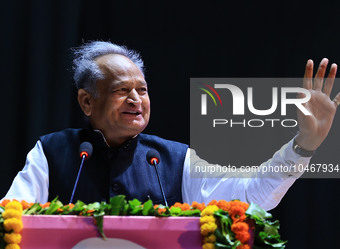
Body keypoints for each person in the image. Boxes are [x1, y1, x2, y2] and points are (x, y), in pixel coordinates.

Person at [3, 41, 340, 210]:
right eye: (122, 91)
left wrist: (303, 146)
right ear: (86, 102)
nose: (136, 99)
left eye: (142, 90)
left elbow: (250, 195)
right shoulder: (51, 152)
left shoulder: (175, 159)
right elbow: (10, 218)